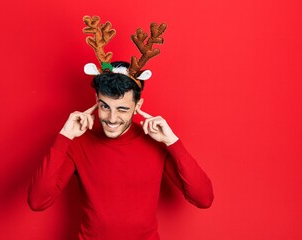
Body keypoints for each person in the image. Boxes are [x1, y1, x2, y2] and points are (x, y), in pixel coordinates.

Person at [28, 16, 213, 240]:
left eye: (122, 109)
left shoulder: (155, 142)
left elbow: (203, 198)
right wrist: (64, 137)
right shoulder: (79, 142)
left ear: (138, 106)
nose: (111, 118)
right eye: (104, 106)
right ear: (96, 99)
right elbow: (37, 201)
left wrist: (172, 142)